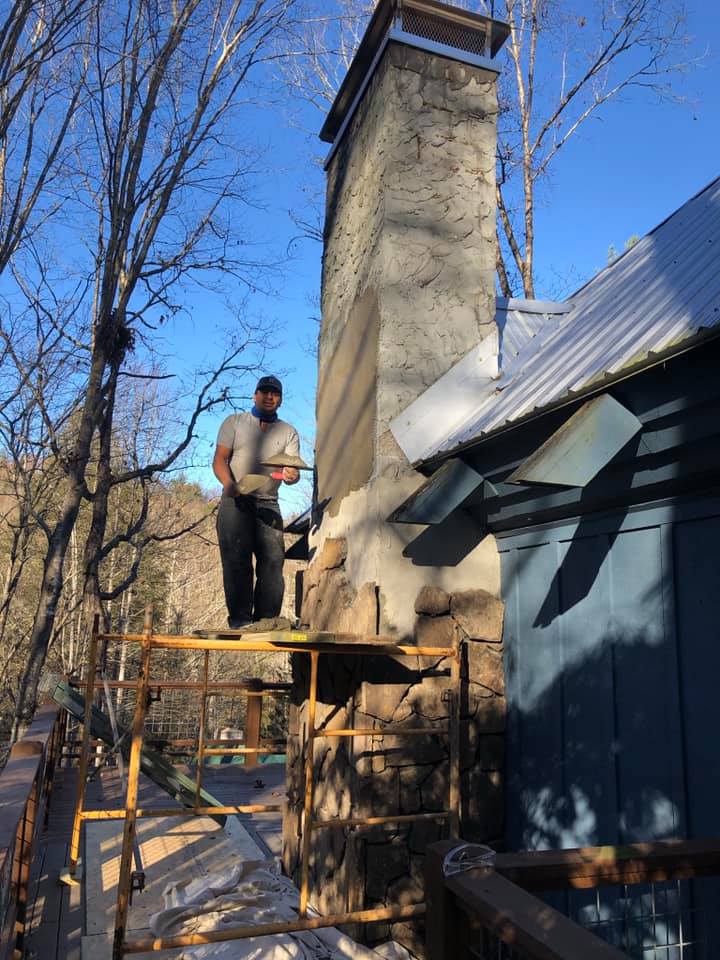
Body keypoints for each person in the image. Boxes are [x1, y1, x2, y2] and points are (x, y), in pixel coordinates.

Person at [213, 375, 300, 628]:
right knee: (236, 560)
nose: (269, 397)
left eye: (275, 394)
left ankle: (266, 621)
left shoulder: (288, 431)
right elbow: (219, 460)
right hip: (236, 499)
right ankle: (240, 620)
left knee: (273, 560)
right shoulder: (235, 422)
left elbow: (292, 472)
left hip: (268, 502)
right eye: (264, 392)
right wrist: (229, 484)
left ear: (280, 400)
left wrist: (292, 475)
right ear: (255, 395)